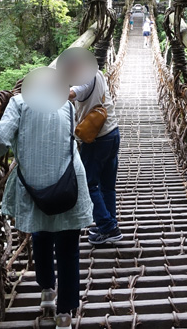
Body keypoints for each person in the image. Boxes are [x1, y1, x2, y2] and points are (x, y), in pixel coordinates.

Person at [0, 84, 93, 328]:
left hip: (35, 186)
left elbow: (0, 136)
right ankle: (65, 314)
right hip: (69, 184)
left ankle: (46, 292)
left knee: (40, 235)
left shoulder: (19, 102)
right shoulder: (66, 103)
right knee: (68, 248)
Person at [67, 68, 121, 245]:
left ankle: (107, 226)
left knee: (88, 184)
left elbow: (73, 92)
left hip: (97, 138)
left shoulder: (85, 77)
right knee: (107, 186)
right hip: (112, 132)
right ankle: (109, 224)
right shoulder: (98, 73)